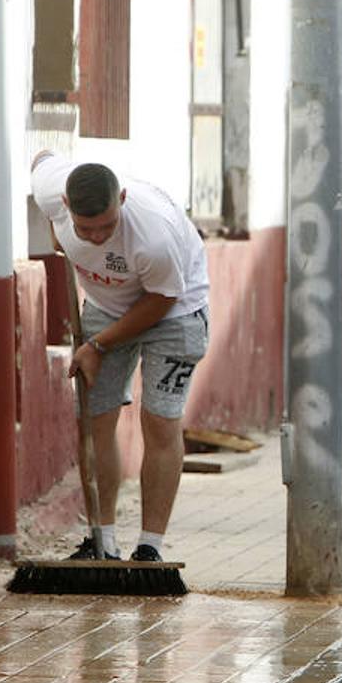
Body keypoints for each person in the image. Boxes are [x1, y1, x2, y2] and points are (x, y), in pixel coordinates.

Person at [30, 152, 211, 563]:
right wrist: (58, 231)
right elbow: (41, 157)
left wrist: (97, 346)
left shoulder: (154, 238)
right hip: (105, 305)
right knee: (94, 419)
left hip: (175, 309)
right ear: (64, 203)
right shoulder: (51, 193)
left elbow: (161, 300)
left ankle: (149, 547)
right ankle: (101, 541)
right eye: (85, 229)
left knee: (160, 421)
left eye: (107, 227)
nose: (96, 238)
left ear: (123, 199)